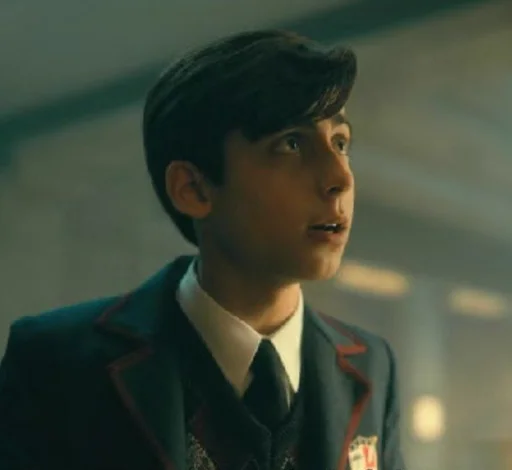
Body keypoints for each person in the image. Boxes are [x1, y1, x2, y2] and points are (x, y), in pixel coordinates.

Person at [0, 30, 405, 470]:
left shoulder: (372, 365)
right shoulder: (56, 362)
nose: (340, 178)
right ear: (192, 188)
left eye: (340, 143)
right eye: (291, 143)